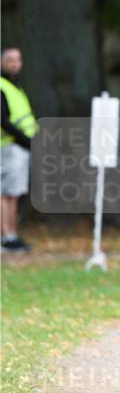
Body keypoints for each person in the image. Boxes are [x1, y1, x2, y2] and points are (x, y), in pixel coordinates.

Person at [1, 47, 38, 252]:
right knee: (6, 192)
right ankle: (6, 237)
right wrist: (24, 140)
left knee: (12, 193)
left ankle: (11, 234)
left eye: (18, 59)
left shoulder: (14, 87)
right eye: (9, 59)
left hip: (18, 146)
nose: (14, 63)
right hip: (9, 146)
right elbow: (3, 120)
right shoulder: (2, 86)